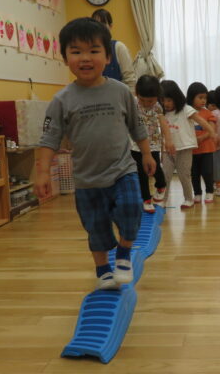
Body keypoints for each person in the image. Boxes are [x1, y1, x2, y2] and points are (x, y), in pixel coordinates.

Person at [36, 17, 155, 291]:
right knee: (96, 229)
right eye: (76, 52)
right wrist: (42, 172)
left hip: (122, 171)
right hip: (87, 180)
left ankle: (123, 255)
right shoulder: (62, 99)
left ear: (107, 56)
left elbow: (136, 125)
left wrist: (147, 154)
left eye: (93, 51)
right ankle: (102, 268)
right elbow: (49, 138)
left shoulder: (121, 91)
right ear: (65, 57)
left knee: (130, 212)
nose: (85, 58)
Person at [160, 79, 215, 210]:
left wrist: (211, 131)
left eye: (169, 100)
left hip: (184, 148)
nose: (166, 103)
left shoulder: (186, 109)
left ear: (176, 98)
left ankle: (189, 199)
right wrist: (161, 150)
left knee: (184, 175)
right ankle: (163, 200)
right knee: (165, 176)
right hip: (168, 150)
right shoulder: (161, 112)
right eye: (163, 100)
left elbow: (200, 120)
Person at [132, 75, 175, 213]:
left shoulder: (157, 107)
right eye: (142, 99)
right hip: (135, 145)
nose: (145, 103)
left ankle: (161, 186)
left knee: (156, 168)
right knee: (142, 173)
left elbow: (163, 124)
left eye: (149, 100)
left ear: (158, 96)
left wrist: (168, 140)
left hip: (153, 144)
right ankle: (146, 199)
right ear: (137, 94)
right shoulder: (132, 103)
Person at [90, 8, 136, 93]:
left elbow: (130, 79)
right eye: (95, 24)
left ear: (110, 26)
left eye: (103, 23)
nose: (99, 28)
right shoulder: (89, 50)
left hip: (118, 98)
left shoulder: (119, 47)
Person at [186, 82, 217, 204]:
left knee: (207, 171)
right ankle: (197, 193)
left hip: (206, 149)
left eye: (205, 98)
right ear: (191, 97)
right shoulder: (186, 112)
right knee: (194, 173)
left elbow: (212, 129)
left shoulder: (208, 113)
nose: (203, 100)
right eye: (200, 97)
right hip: (192, 149)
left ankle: (209, 192)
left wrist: (201, 138)